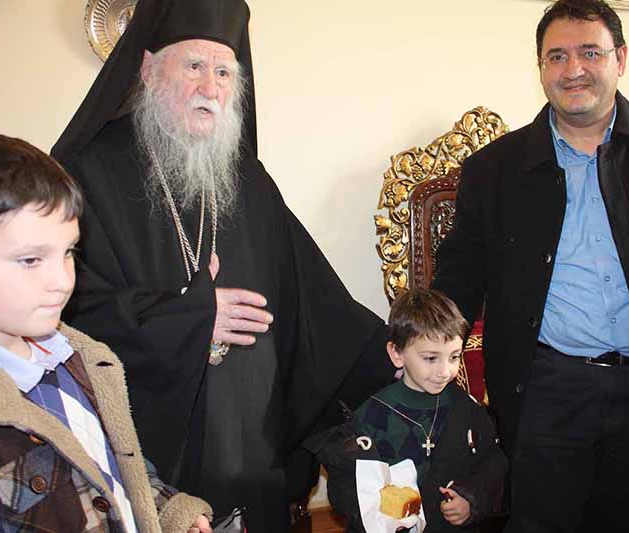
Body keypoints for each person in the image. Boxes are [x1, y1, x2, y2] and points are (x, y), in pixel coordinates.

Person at [51, 0, 395, 529]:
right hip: (156, 463)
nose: (210, 88)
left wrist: (395, 353)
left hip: (250, 454)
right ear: (148, 68)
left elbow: (316, 303)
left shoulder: (248, 180)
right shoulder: (88, 175)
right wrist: (187, 320)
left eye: (224, 73)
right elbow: (69, 311)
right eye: (194, 66)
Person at [430, 0, 629, 531]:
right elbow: (459, 277)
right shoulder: (493, 169)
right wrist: (418, 348)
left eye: (591, 52)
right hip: (545, 387)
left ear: (621, 58)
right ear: (540, 67)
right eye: (557, 56)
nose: (574, 69)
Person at [0, 130, 213, 532]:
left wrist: (170, 513)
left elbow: (111, 472)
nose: (63, 281)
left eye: (68, 252)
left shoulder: (79, 358)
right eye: (31, 260)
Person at [310, 288, 507, 532]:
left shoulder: (466, 408)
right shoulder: (370, 417)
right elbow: (345, 486)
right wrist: (379, 514)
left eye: (454, 357)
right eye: (431, 358)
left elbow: (493, 462)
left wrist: (471, 499)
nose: (445, 371)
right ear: (397, 354)